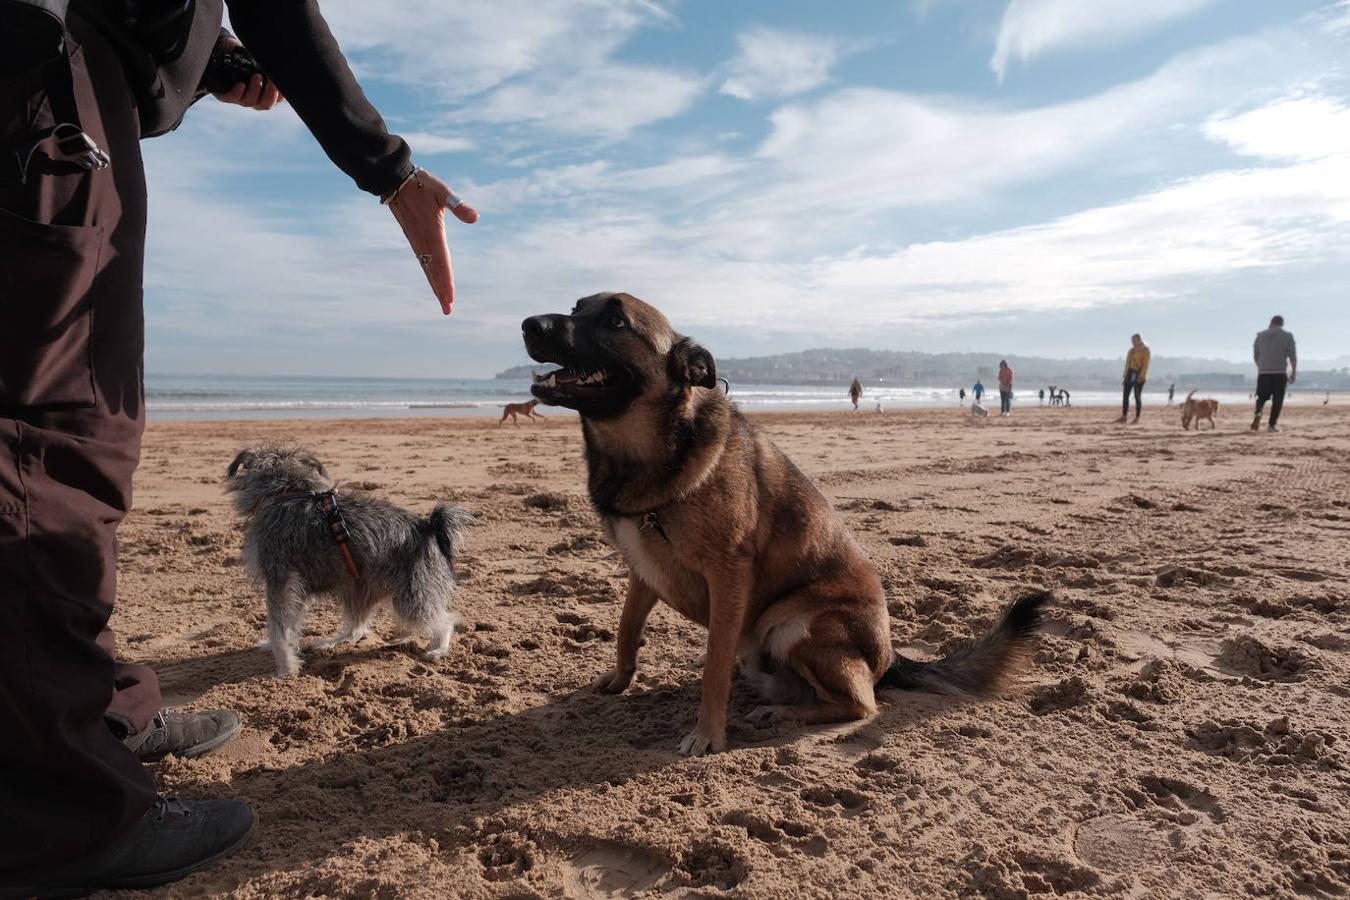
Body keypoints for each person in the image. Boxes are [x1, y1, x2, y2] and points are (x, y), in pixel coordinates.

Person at [0, 2, 477, 894]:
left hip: (57, 67)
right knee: (56, 441)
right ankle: (54, 810)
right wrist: (387, 166)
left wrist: (206, 57)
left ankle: (92, 714)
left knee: (66, 431)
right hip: (40, 78)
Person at [1252, 315, 1297, 432]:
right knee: (1278, 400)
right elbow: (1293, 355)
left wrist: (1261, 366)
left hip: (1263, 372)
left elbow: (1256, 355)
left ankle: (1259, 413)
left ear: (1270, 323)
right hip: (1280, 372)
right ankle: (1272, 425)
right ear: (1282, 324)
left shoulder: (1260, 336)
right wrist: (1293, 372)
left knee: (1261, 397)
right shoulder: (1287, 336)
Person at [1116, 333, 1151, 424]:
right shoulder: (1131, 350)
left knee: (1137, 396)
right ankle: (1124, 416)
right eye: (1132, 341)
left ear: (1139, 340)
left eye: (1134, 341)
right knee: (1125, 395)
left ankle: (1137, 417)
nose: (1132, 342)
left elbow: (1146, 365)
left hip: (1139, 374)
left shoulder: (1145, 350)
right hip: (1129, 373)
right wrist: (1125, 375)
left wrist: (1142, 376)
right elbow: (1127, 363)